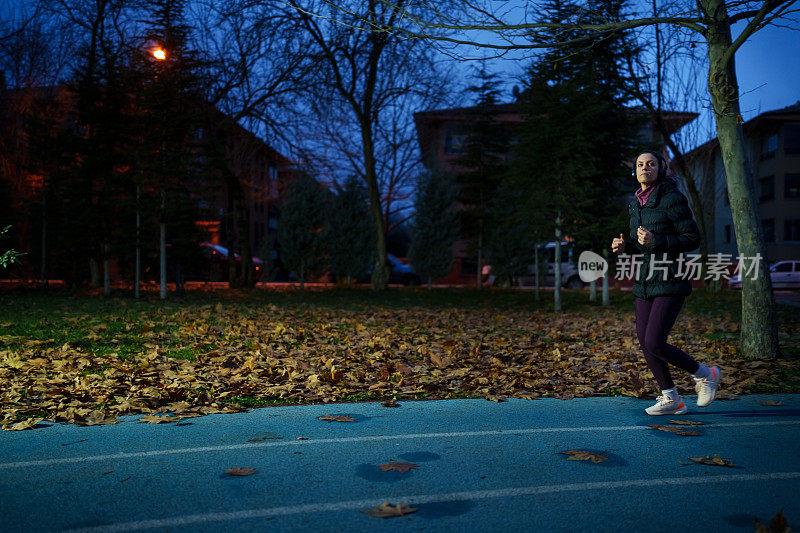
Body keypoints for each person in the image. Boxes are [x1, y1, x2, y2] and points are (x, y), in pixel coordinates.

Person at [611, 151, 721, 415]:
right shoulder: (635, 204)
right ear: (635, 170)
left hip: (671, 278)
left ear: (661, 168)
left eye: (650, 164)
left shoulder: (672, 199)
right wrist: (625, 247)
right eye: (639, 164)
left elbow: (692, 239)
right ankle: (671, 398)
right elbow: (643, 246)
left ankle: (706, 375)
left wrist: (657, 240)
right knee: (645, 342)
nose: (644, 168)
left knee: (655, 341)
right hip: (646, 281)